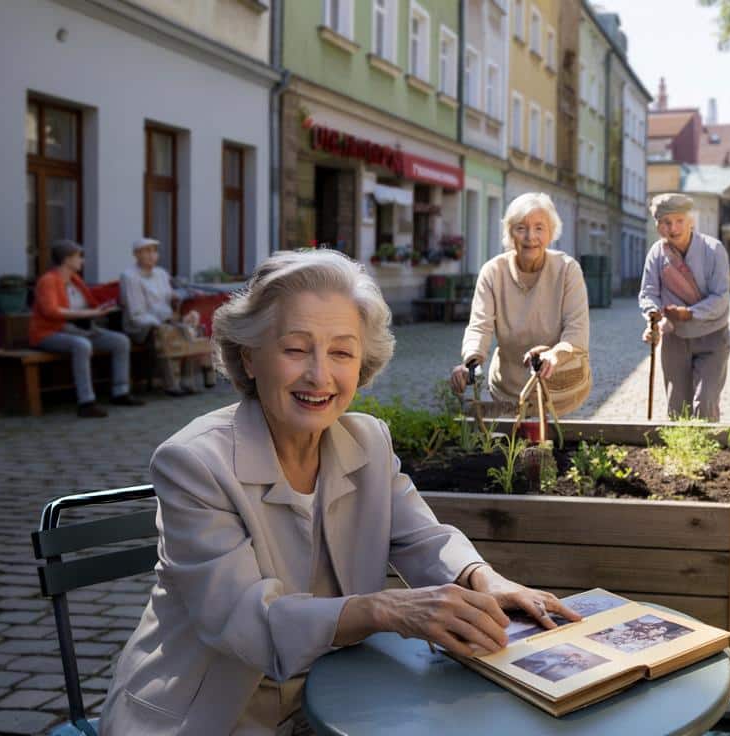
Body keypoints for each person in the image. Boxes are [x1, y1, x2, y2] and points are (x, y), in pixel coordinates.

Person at [102, 249, 580, 735]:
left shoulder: (367, 440)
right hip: (210, 717)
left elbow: (422, 537)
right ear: (248, 356)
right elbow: (246, 623)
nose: (319, 375)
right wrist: (385, 609)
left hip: (339, 696)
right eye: (295, 348)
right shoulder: (193, 463)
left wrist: (483, 578)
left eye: (341, 352)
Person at [449, 192, 591, 426]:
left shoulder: (567, 269)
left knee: (561, 450)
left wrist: (554, 355)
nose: (530, 237)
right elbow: (480, 325)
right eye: (520, 228)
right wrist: (471, 362)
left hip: (561, 385)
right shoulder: (493, 271)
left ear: (551, 232)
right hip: (509, 386)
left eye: (539, 228)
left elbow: (577, 329)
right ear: (509, 232)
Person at [638, 193, 730, 420]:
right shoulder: (657, 254)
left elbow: (721, 298)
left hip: (712, 337)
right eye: (666, 222)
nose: (674, 228)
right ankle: (680, 455)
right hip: (675, 339)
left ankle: (707, 455)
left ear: (691, 220)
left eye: (679, 220)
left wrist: (690, 313)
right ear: (658, 226)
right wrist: (654, 316)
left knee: (705, 402)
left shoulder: (714, 249)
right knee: (677, 407)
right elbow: (648, 292)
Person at [29, 239, 145, 418]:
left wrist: (105, 306)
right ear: (67, 259)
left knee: (120, 341)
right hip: (51, 333)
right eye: (78, 257)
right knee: (82, 345)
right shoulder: (48, 281)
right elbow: (51, 311)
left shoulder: (75, 280)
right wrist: (89, 314)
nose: (82, 261)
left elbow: (92, 301)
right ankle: (86, 402)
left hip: (80, 329)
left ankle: (120, 392)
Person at [119, 236, 202, 397]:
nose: (152, 255)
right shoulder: (129, 276)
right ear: (136, 254)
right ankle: (171, 384)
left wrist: (176, 299)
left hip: (165, 319)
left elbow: (168, 296)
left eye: (154, 251)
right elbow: (136, 311)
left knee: (191, 330)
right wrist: (165, 322)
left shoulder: (161, 273)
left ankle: (187, 380)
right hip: (141, 324)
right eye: (146, 251)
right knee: (167, 332)